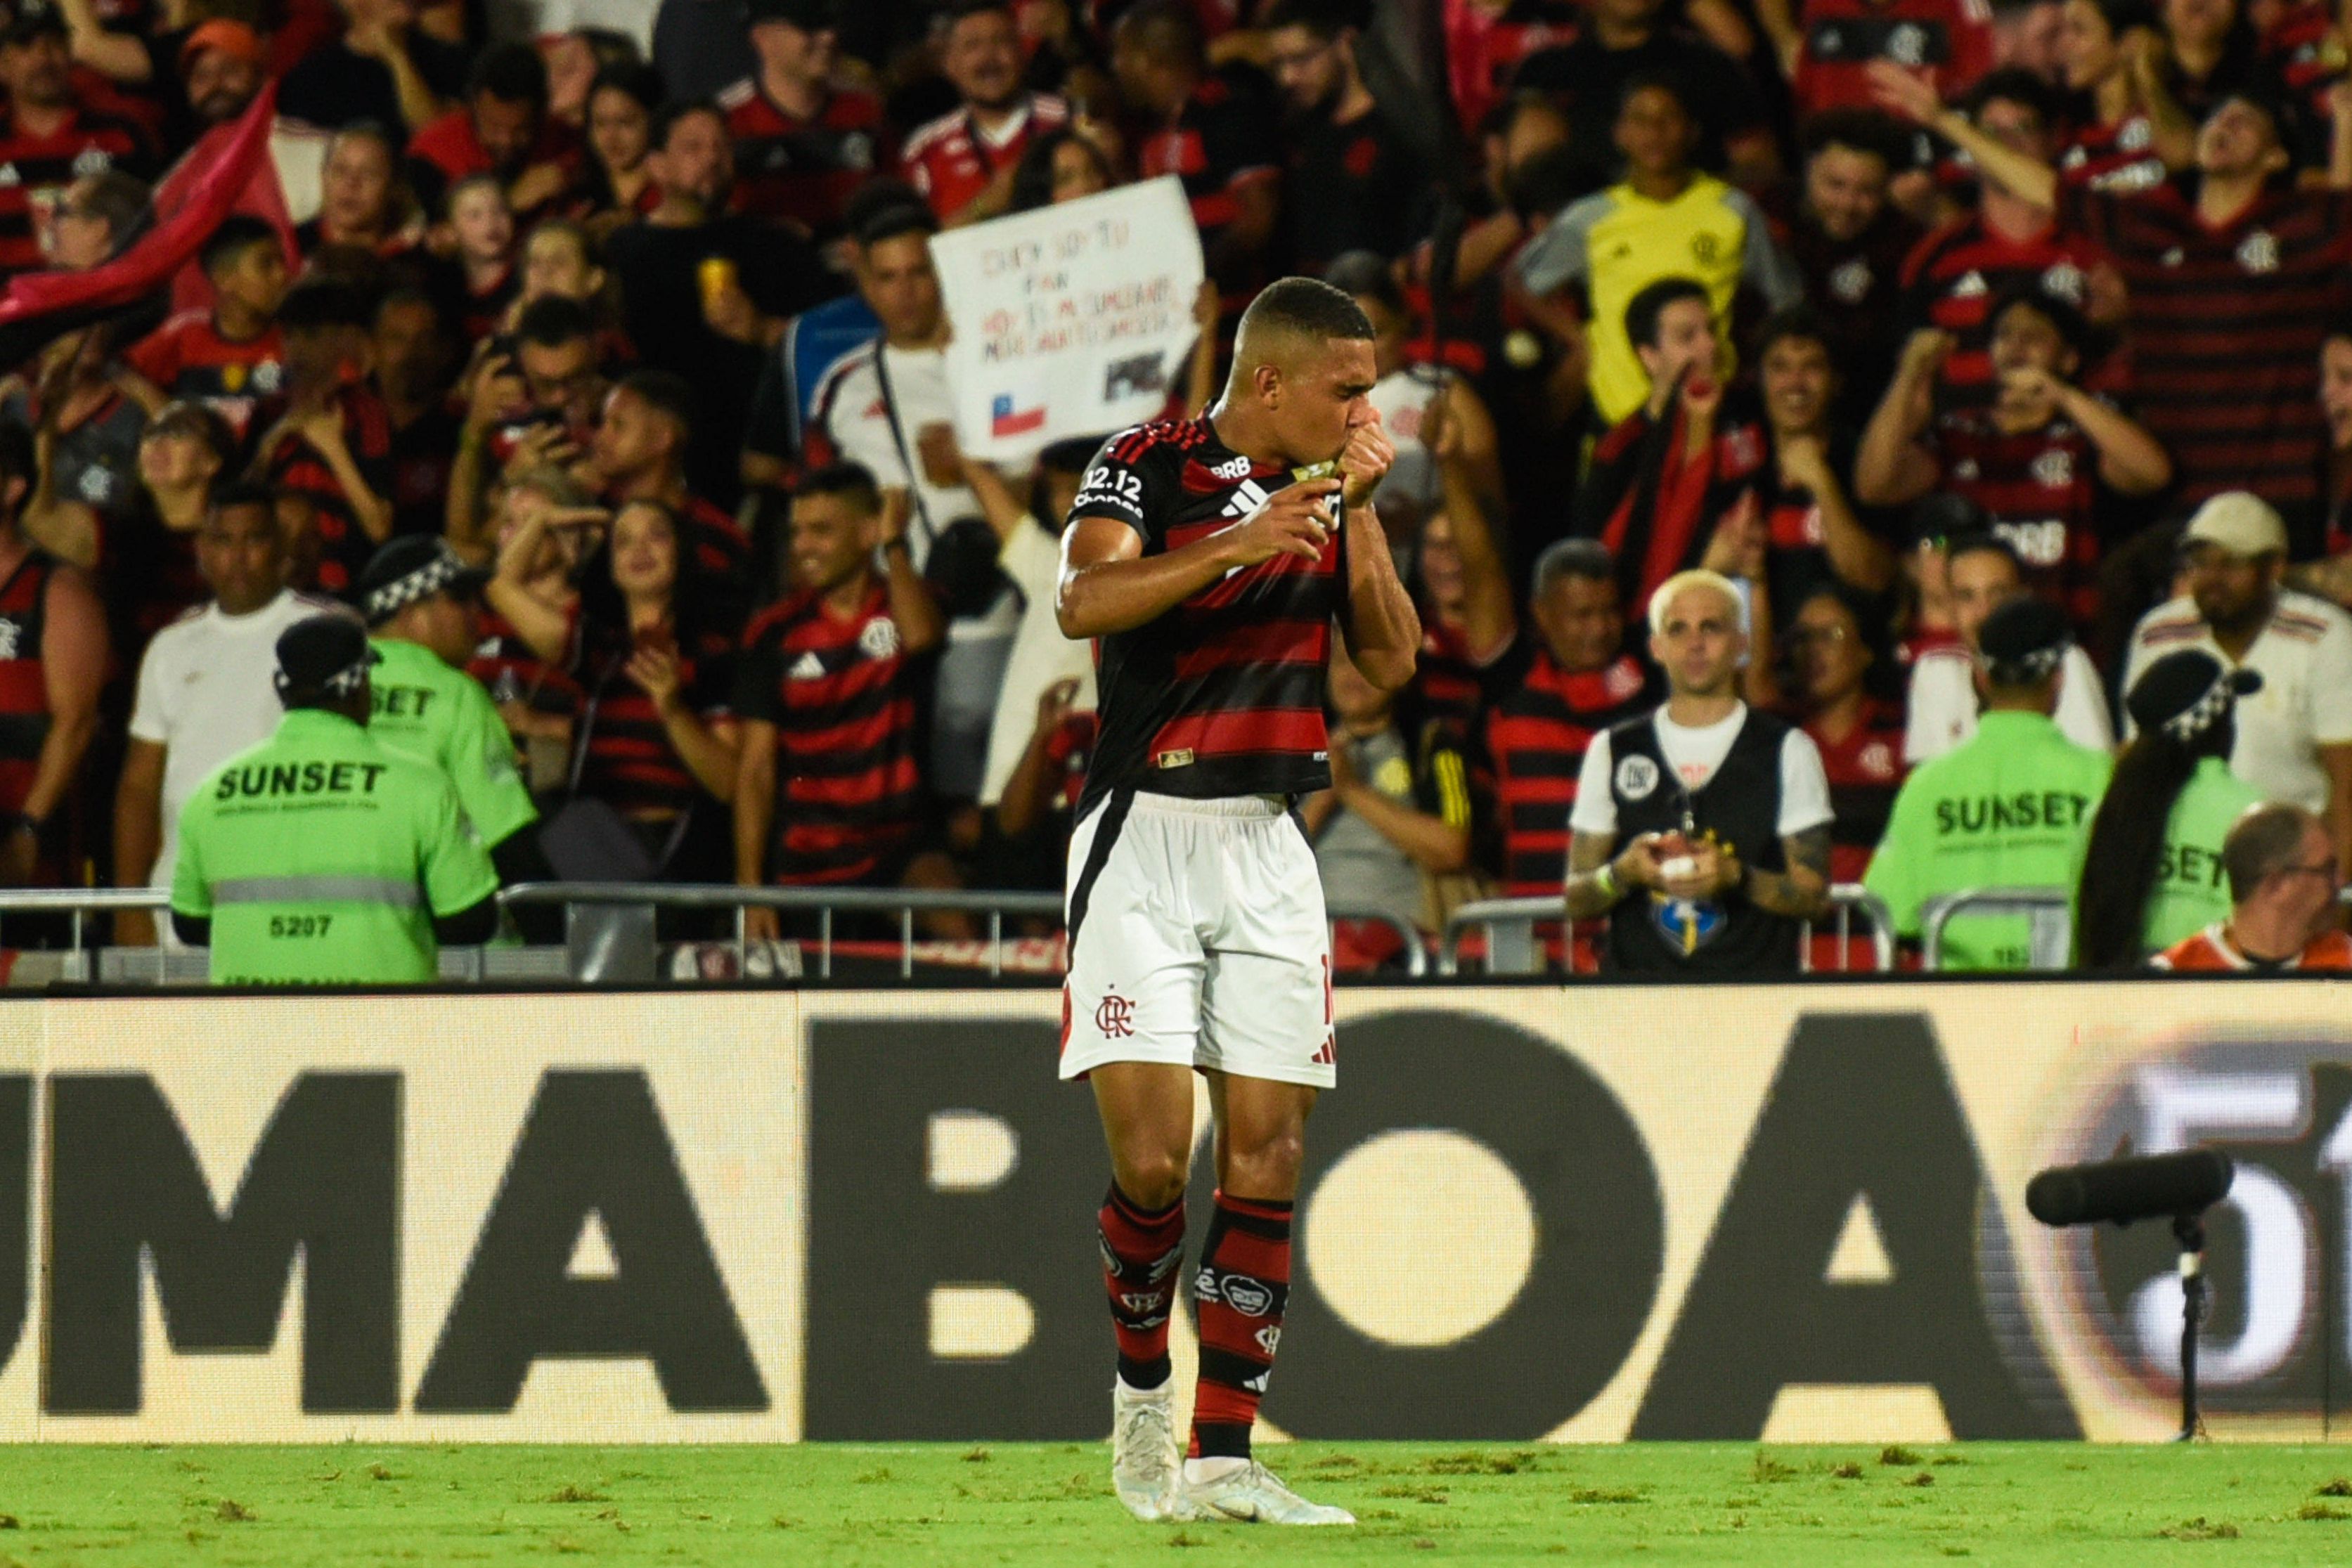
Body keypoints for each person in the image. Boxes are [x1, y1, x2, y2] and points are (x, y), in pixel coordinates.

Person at [1054, 276, 1418, 1525]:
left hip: (1268, 841)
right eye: (1347, 389)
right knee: (1155, 1163)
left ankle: (1223, 1455)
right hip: (1141, 833)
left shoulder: (1333, 492)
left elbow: (1392, 658)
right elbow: (1081, 602)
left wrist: (1360, 513)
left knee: (1268, 1152)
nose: (1367, 410)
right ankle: (1141, 1388)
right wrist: (1236, 544)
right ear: (1270, 381)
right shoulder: (1144, 462)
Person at [1874, 60, 2352, 513]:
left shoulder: (2301, 225)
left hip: (2281, 494)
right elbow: (2045, 188)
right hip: (2178, 498)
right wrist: (1943, 120)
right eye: (2217, 118)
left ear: (2276, 156)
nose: (2224, 126)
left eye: (2243, 122)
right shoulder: (2150, 225)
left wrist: (2347, 123)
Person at [169, 615, 500, 985]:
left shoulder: (212, 792)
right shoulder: (421, 786)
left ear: (281, 690)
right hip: (381, 1015)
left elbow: (189, 925)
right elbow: (472, 922)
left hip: (254, 1018)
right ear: (359, 687)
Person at [1563, 569, 1835, 972]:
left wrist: (1737, 877)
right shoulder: (1613, 749)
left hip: (1751, 995)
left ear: (1741, 644)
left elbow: (1815, 898)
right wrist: (1623, 873)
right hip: (1638, 997)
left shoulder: (1788, 750)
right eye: (1678, 629)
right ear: (1656, 647)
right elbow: (1576, 898)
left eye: (1711, 627)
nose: (1695, 643)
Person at [1856, 287, 2171, 630]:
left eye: (2034, 336)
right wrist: (1908, 375)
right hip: (1973, 637)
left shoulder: (2086, 436)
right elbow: (1875, 486)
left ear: (2068, 359)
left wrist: (2062, 395)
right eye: (2004, 335)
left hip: (2067, 636)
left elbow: (2153, 474)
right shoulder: (1958, 433)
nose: (2016, 344)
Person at [113, 486, 343, 947]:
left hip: (291, 895)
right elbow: (140, 785)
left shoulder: (325, 631)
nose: (238, 558)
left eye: (254, 539)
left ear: (280, 547)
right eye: (223, 541)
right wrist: (130, 905)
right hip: (182, 894)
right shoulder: (171, 646)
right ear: (201, 550)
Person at [1514, 72, 1802, 425]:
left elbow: (1787, 297)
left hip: (1710, 409)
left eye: (1668, 118)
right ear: (1620, 133)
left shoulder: (1733, 211)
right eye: (1640, 119)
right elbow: (1520, 281)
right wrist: (1580, 340)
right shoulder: (1590, 218)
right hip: (1620, 413)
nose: (1654, 131)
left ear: (1692, 132)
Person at [490, 496, 740, 879]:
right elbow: (501, 585)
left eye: (657, 536)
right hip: (590, 842)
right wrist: (543, 520)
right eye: (623, 541)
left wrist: (672, 708)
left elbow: (728, 784)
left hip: (669, 848)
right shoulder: (599, 649)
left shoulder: (711, 654)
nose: (640, 549)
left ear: (682, 551)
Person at [734, 463, 945, 915]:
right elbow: (755, 769)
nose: (803, 546)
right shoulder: (774, 632)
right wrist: (751, 894)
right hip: (809, 861)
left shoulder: (908, 602)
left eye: (821, 531)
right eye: (797, 532)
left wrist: (894, 544)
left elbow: (921, 637)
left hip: (899, 850)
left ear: (868, 532)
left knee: (955, 924)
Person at [1865, 595, 2112, 967]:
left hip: (1960, 997)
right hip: (2068, 995)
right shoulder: (2102, 779)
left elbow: (1889, 906)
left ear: (1980, 678)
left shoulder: (1928, 785)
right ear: (2058, 678)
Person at [2123, 491, 2352, 861]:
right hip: (2183, 854)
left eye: (2231, 564)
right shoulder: (2158, 634)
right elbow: (2135, 763)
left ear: (2274, 568)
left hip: (2290, 860)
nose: (2212, 578)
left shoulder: (2325, 636)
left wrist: (2337, 886)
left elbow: (2346, 787)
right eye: (2201, 562)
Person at [356, 536, 542, 873]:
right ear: (410, 614)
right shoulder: (455, 695)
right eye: (460, 599)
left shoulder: (330, 688)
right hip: (425, 898)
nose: (476, 613)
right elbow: (504, 832)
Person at [2076, 648, 2265, 966]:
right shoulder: (2253, 817)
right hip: (2221, 992)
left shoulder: (2100, 817)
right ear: (2222, 726)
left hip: (2114, 994)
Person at [1304, 640, 1473, 968]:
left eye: (1368, 663)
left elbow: (1453, 848)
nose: (1354, 675)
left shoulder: (1432, 743)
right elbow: (1266, 861)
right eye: (1342, 663)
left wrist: (1352, 790)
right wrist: (1324, 797)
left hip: (1406, 953)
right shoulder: (1294, 749)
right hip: (1311, 950)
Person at [1113, 0, 1281, 313]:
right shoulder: (1155, 130)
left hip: (1241, 316)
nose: (1116, 67)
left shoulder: (1227, 114)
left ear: (1148, 60)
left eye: (1121, 55)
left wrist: (1199, 274)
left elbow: (1259, 219)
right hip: (1187, 319)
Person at [0, 422, 105, 889]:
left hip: (28, 852)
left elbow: (75, 723)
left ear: (12, 489)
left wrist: (29, 828)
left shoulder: (57, 590)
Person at [1906, 531, 2114, 760]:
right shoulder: (1936, 670)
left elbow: (2095, 764)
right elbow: (1927, 773)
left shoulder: (2062, 660)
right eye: (1966, 596)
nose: (1983, 613)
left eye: (1998, 594)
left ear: (2023, 597)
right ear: (1951, 605)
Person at [1264, 0, 1428, 271]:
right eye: (1279, 64)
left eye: (1302, 58)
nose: (1287, 77)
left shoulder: (1400, 131)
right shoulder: (1296, 132)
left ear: (1345, 43)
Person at [1786, 109, 1923, 427]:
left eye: (1866, 191)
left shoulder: (1905, 248)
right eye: (1835, 185)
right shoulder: (1776, 229)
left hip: (1869, 415)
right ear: (1809, 171)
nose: (1847, 204)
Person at [0, 6, 153, 282]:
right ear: (3, 66)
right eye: (25, 46)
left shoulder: (122, 135)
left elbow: (151, 229)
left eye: (54, 44)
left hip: (104, 297)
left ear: (72, 55)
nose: (43, 58)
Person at [720, 0, 891, 236]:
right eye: (809, 25)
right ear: (763, 38)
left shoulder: (865, 112)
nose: (829, 37)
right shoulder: (725, 121)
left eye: (830, 24)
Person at [1781, 582, 1909, 883]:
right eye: (1803, 637)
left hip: (1885, 909)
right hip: (1802, 911)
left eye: (1830, 635)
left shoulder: (1900, 731)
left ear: (1866, 651)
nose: (1813, 650)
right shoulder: (1781, 735)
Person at [902, 0, 1070, 226]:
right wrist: (983, 207)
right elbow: (917, 242)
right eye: (972, 46)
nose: (989, 57)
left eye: (1001, 41)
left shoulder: (1068, 120)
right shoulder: (923, 151)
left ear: (1022, 53)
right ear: (949, 65)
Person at [123, 214, 289, 442]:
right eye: (266, 264)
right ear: (224, 279)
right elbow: (116, 370)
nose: (282, 274)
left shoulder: (296, 341)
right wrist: (165, 411)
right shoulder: (185, 333)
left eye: (282, 261)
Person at [2152, 800, 2352, 968]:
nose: (2341, 881)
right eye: (2327, 870)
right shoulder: (2172, 978)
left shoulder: (2347, 961)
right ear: (2276, 885)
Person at [406, 41, 573, 221]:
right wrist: (508, 204)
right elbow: (434, 232)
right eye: (494, 127)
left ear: (540, 116)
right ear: (474, 107)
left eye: (521, 130)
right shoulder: (433, 154)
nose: (506, 140)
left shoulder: (563, 139)